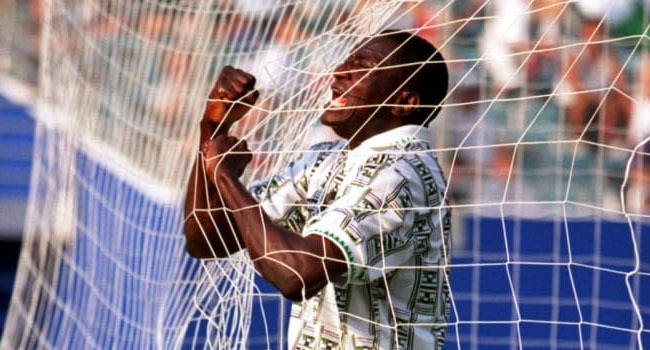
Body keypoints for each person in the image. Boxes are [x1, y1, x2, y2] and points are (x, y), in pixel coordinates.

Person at [184, 29, 452, 350]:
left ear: (404, 103)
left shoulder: (401, 172)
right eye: (346, 61)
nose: (339, 72)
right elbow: (207, 239)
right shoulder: (325, 159)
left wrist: (226, 178)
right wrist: (213, 129)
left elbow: (297, 275)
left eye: (362, 67)